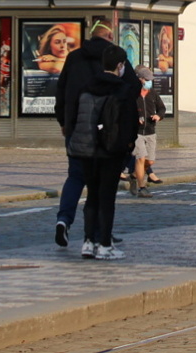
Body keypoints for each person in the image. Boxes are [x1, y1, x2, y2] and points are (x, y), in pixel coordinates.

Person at [53, 19, 137, 248]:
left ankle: (63, 220)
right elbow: (132, 90)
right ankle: (100, 234)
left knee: (76, 176)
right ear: (110, 36)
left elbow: (60, 90)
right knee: (102, 185)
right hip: (107, 132)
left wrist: (63, 121)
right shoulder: (115, 58)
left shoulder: (74, 57)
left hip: (76, 127)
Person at [68, 45, 139, 260]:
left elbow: (76, 116)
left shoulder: (87, 86)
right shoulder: (122, 89)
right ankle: (105, 245)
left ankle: (88, 242)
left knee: (92, 196)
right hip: (111, 150)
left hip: (87, 149)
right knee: (107, 199)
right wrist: (128, 146)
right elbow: (130, 123)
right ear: (120, 65)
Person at [130, 66, 165, 198]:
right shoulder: (132, 94)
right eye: (148, 80)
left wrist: (158, 116)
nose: (150, 82)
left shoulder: (153, 94)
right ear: (140, 80)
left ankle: (134, 176)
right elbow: (125, 110)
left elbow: (162, 109)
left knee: (150, 161)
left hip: (150, 131)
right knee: (140, 158)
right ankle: (142, 188)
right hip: (137, 132)